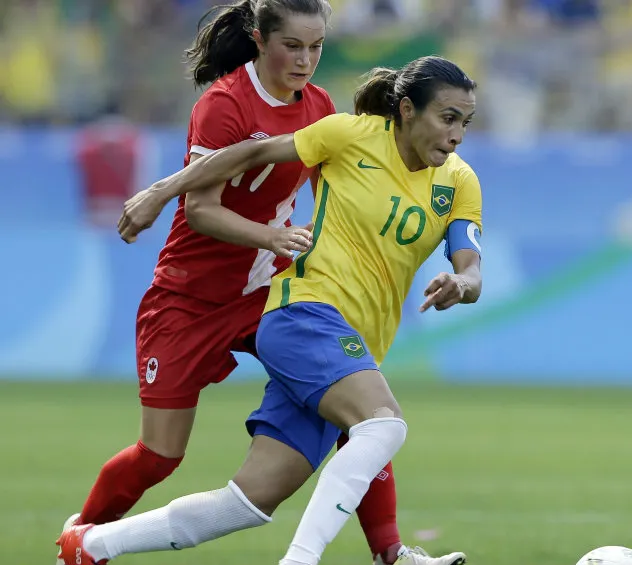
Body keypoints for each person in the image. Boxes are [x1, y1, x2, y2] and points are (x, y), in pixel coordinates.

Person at [59, 2, 462, 564]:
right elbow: (201, 209)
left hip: (269, 292)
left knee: (355, 396)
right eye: (293, 46)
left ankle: (390, 552)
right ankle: (80, 539)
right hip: (190, 296)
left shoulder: (319, 105)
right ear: (258, 39)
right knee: (159, 455)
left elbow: (342, 187)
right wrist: (259, 233)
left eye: (317, 46)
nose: (306, 60)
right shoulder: (224, 104)